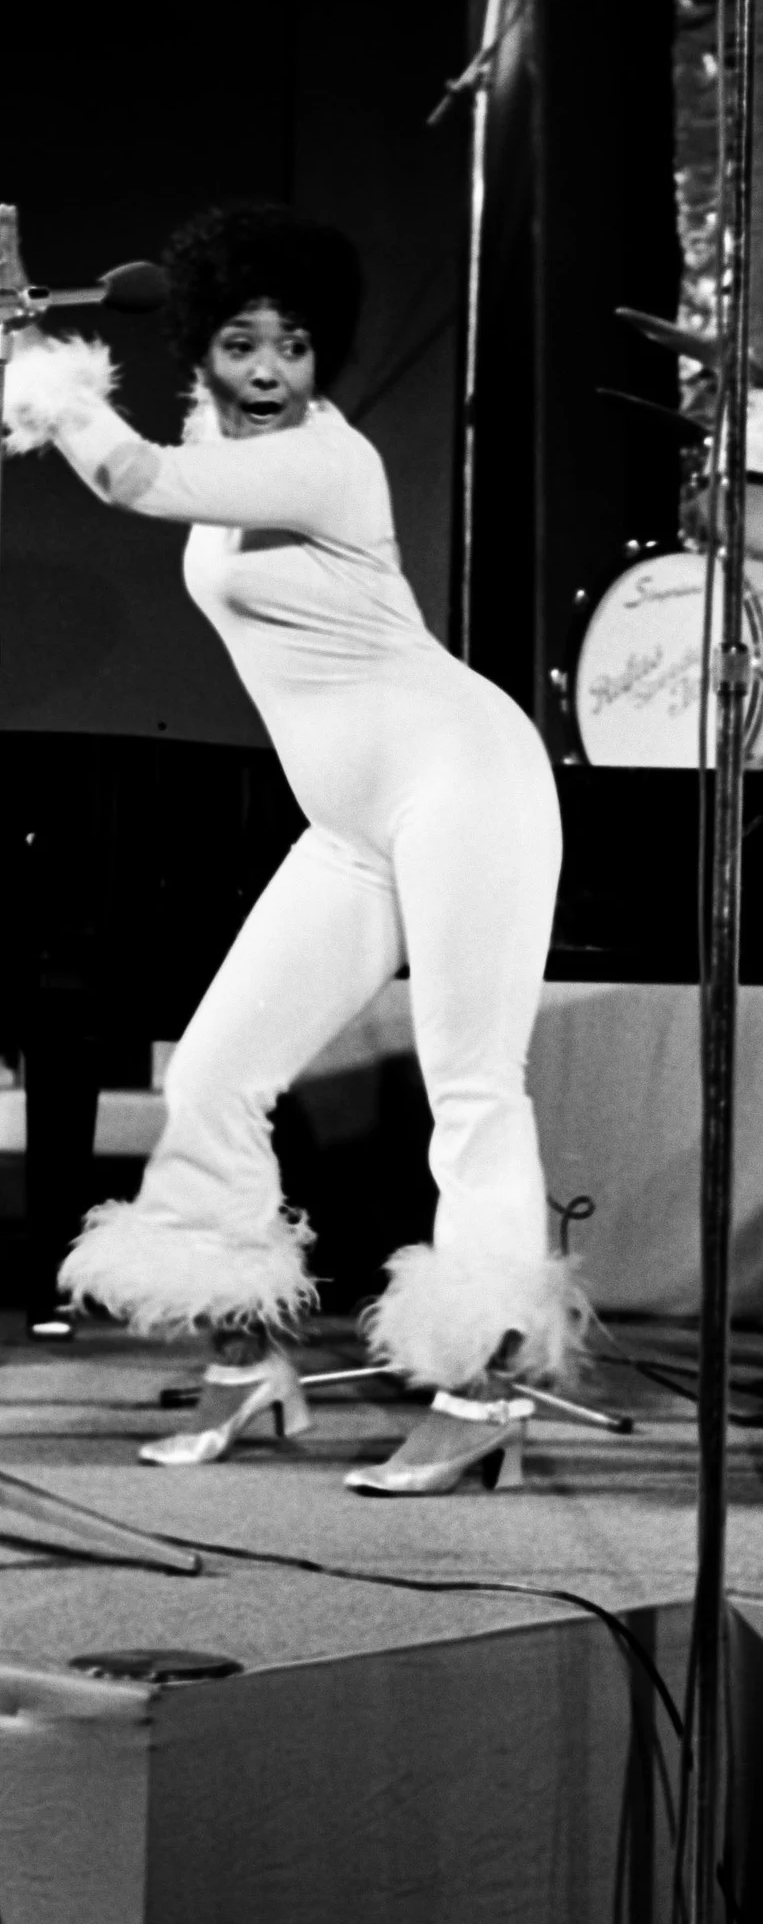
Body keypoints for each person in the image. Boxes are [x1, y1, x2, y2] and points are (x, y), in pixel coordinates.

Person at [4, 203, 574, 1496]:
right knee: (213, 1073)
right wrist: (28, 335)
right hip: (352, 826)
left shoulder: (328, 460)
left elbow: (130, 478)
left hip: (466, 782)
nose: (270, 371)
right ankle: (245, 1357)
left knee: (474, 1086)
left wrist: (40, 372)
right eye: (242, 344)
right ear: (203, 350)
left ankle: (486, 1387)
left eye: (296, 346)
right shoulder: (224, 436)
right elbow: (114, 437)